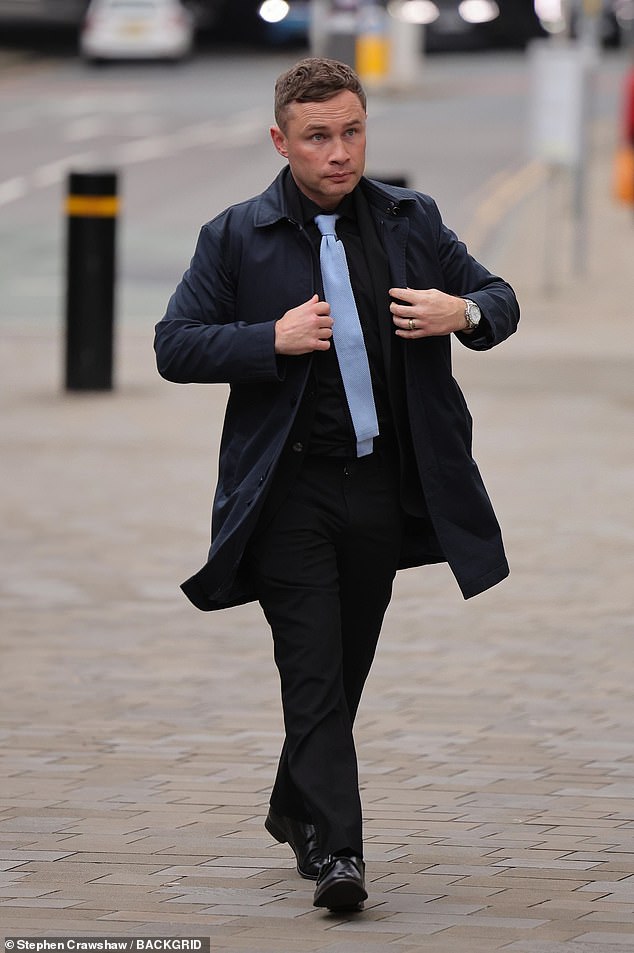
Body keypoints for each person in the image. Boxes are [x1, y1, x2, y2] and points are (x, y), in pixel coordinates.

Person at [154, 56, 519, 912]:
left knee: (345, 667)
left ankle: (296, 804)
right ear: (281, 141)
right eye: (318, 137)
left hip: (381, 487)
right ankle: (339, 853)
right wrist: (267, 338)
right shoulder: (235, 236)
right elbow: (175, 344)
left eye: (352, 132)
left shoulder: (408, 219)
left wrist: (461, 312)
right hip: (288, 493)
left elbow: (498, 297)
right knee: (312, 669)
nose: (339, 152)